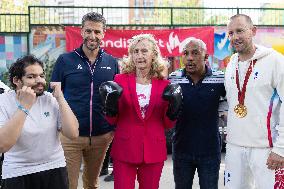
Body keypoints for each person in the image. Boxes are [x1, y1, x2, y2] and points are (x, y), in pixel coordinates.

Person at [99, 34, 182, 189]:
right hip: (125, 149)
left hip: (153, 150)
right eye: (135, 51)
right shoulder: (120, 80)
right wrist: (109, 107)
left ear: (154, 55)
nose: (139, 56)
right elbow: (112, 120)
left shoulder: (164, 84)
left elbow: (167, 123)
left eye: (144, 51)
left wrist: (173, 110)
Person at [50, 12, 119, 189]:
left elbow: (116, 98)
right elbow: (54, 96)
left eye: (97, 32)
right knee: (68, 185)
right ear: (81, 31)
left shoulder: (112, 62)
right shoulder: (65, 60)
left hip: (101, 136)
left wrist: (113, 128)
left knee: (92, 184)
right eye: (88, 31)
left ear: (104, 33)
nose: (92, 36)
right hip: (70, 136)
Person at [0, 55, 79, 189]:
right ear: (16, 80)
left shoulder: (50, 99)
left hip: (54, 168)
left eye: (41, 76)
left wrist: (60, 98)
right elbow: (3, 145)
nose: (40, 81)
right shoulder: (4, 101)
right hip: (17, 172)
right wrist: (24, 106)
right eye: (31, 77)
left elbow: (73, 133)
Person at [224, 14, 284, 188]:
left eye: (240, 31)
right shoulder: (231, 63)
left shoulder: (275, 61)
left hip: (266, 149)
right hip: (234, 147)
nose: (235, 37)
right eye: (231, 33)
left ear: (253, 31)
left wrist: (281, 148)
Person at [169, 38, 226, 189]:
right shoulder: (173, 79)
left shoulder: (220, 79)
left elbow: (231, 108)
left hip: (210, 151)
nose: (189, 58)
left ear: (206, 56)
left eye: (195, 53)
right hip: (181, 149)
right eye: (185, 53)